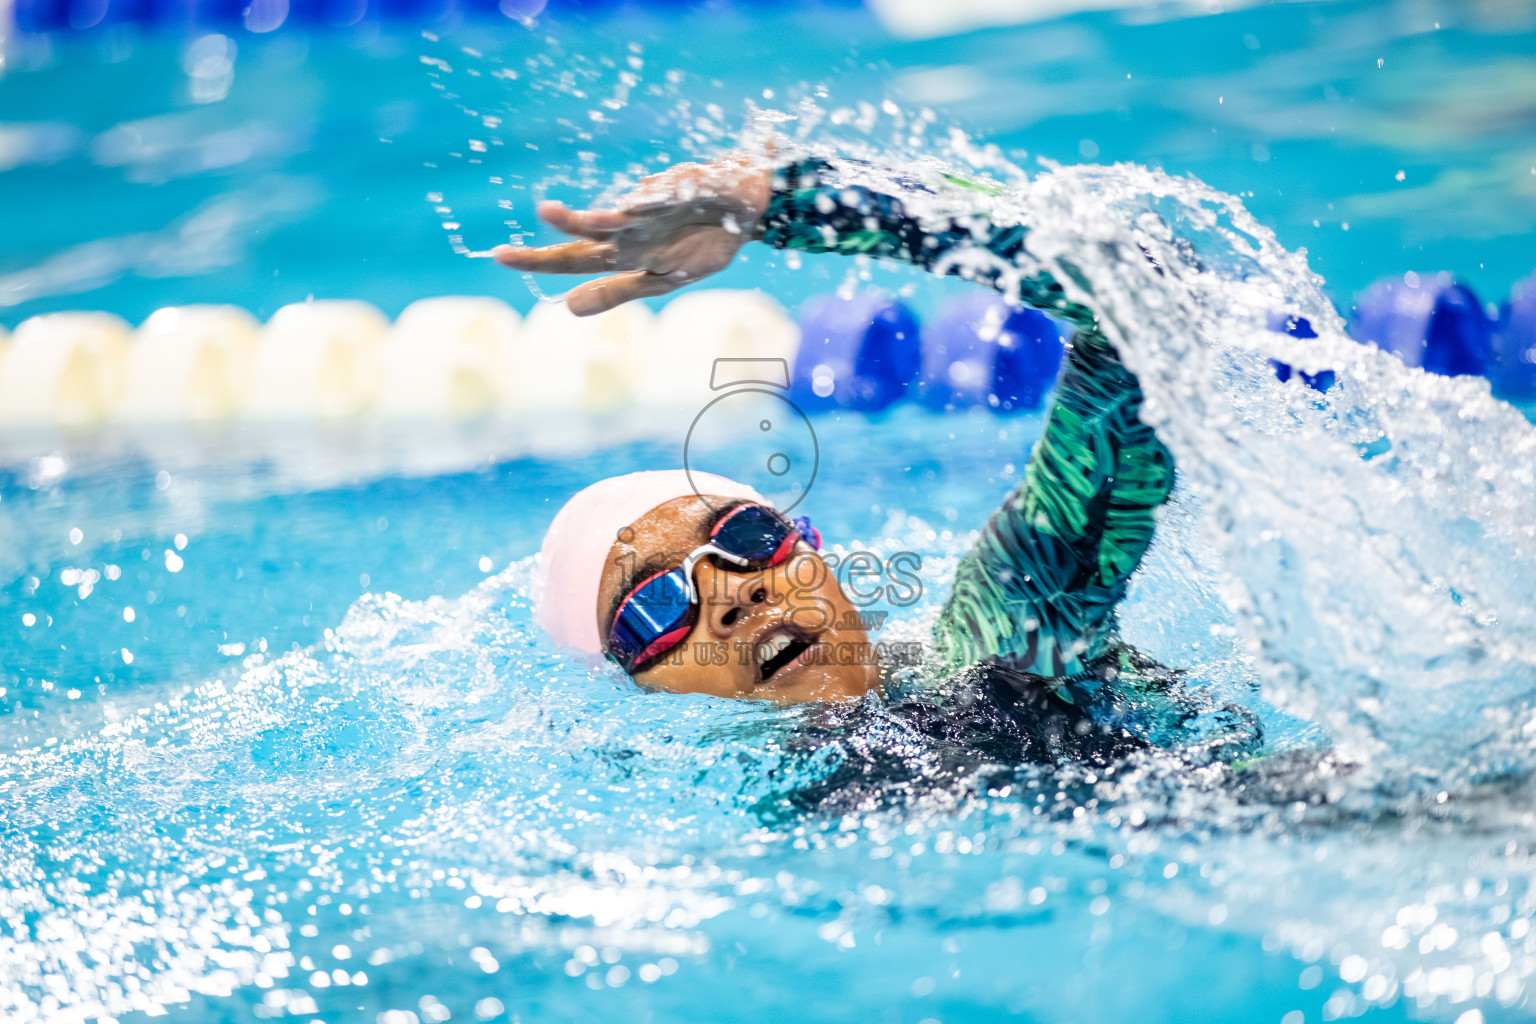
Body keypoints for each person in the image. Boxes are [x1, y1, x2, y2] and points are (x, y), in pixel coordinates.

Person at [497, 150, 1260, 771]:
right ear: (634, 694)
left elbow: (1142, 294)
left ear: (813, 551)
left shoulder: (1004, 642)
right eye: (657, 606)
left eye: (747, 537)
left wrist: (780, 200)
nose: (732, 592)